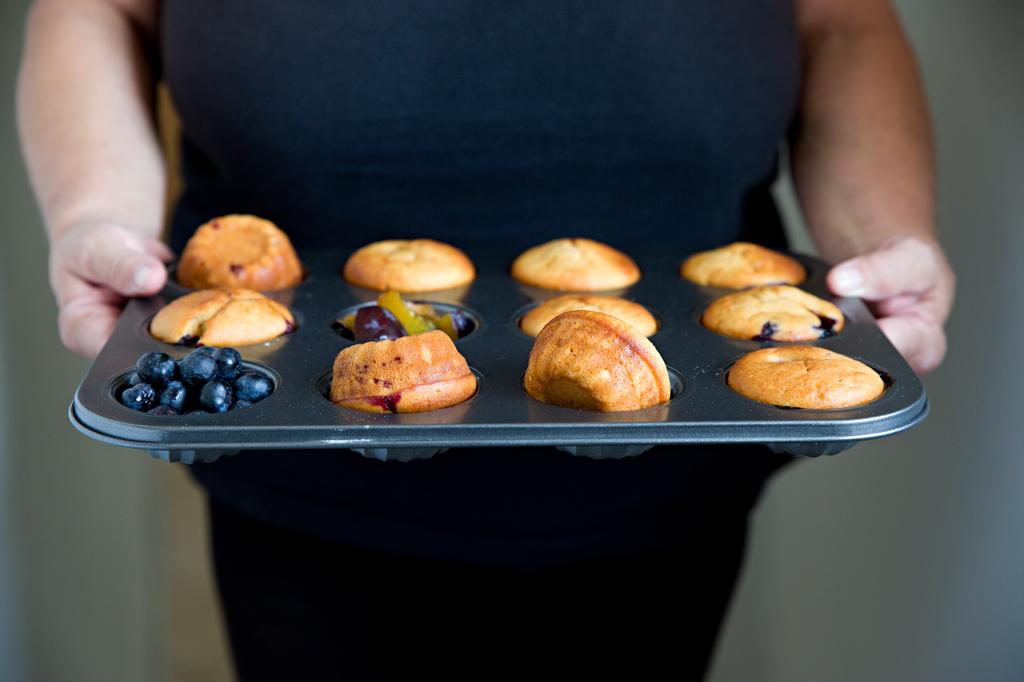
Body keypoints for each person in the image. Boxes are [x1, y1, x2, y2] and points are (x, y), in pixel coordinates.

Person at [18, 0, 954, 679]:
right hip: (290, 436)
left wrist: (880, 245)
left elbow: (842, 22)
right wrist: (96, 214)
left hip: (676, 450)